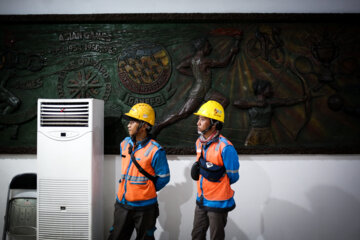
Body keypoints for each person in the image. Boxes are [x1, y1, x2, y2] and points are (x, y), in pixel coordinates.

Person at [151, 36, 240, 137]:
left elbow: (179, 67)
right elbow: (223, 63)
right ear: (202, 48)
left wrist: (195, 75)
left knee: (224, 100)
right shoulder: (204, 61)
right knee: (183, 113)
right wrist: (232, 52)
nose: (210, 48)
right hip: (199, 91)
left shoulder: (192, 59)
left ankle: (211, 121)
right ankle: (159, 125)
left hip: (206, 90)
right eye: (208, 46)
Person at [108, 102, 170, 240]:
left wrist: (146, 190)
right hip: (122, 204)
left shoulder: (155, 150)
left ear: (144, 125)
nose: (128, 125)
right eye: (129, 122)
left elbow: (164, 178)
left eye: (133, 122)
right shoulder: (124, 144)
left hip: (145, 208)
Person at [190, 100, 240, 240]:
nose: (198, 123)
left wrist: (217, 183)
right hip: (201, 198)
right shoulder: (199, 142)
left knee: (216, 237)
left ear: (215, 123)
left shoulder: (226, 147)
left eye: (203, 119)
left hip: (218, 201)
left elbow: (233, 176)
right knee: (196, 235)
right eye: (198, 119)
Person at [233, 78, 307, 145]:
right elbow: (236, 103)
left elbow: (286, 102)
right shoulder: (250, 101)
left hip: (267, 132)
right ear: (261, 89)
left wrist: (302, 99)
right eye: (269, 88)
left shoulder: (270, 102)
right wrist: (256, 104)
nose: (271, 90)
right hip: (254, 132)